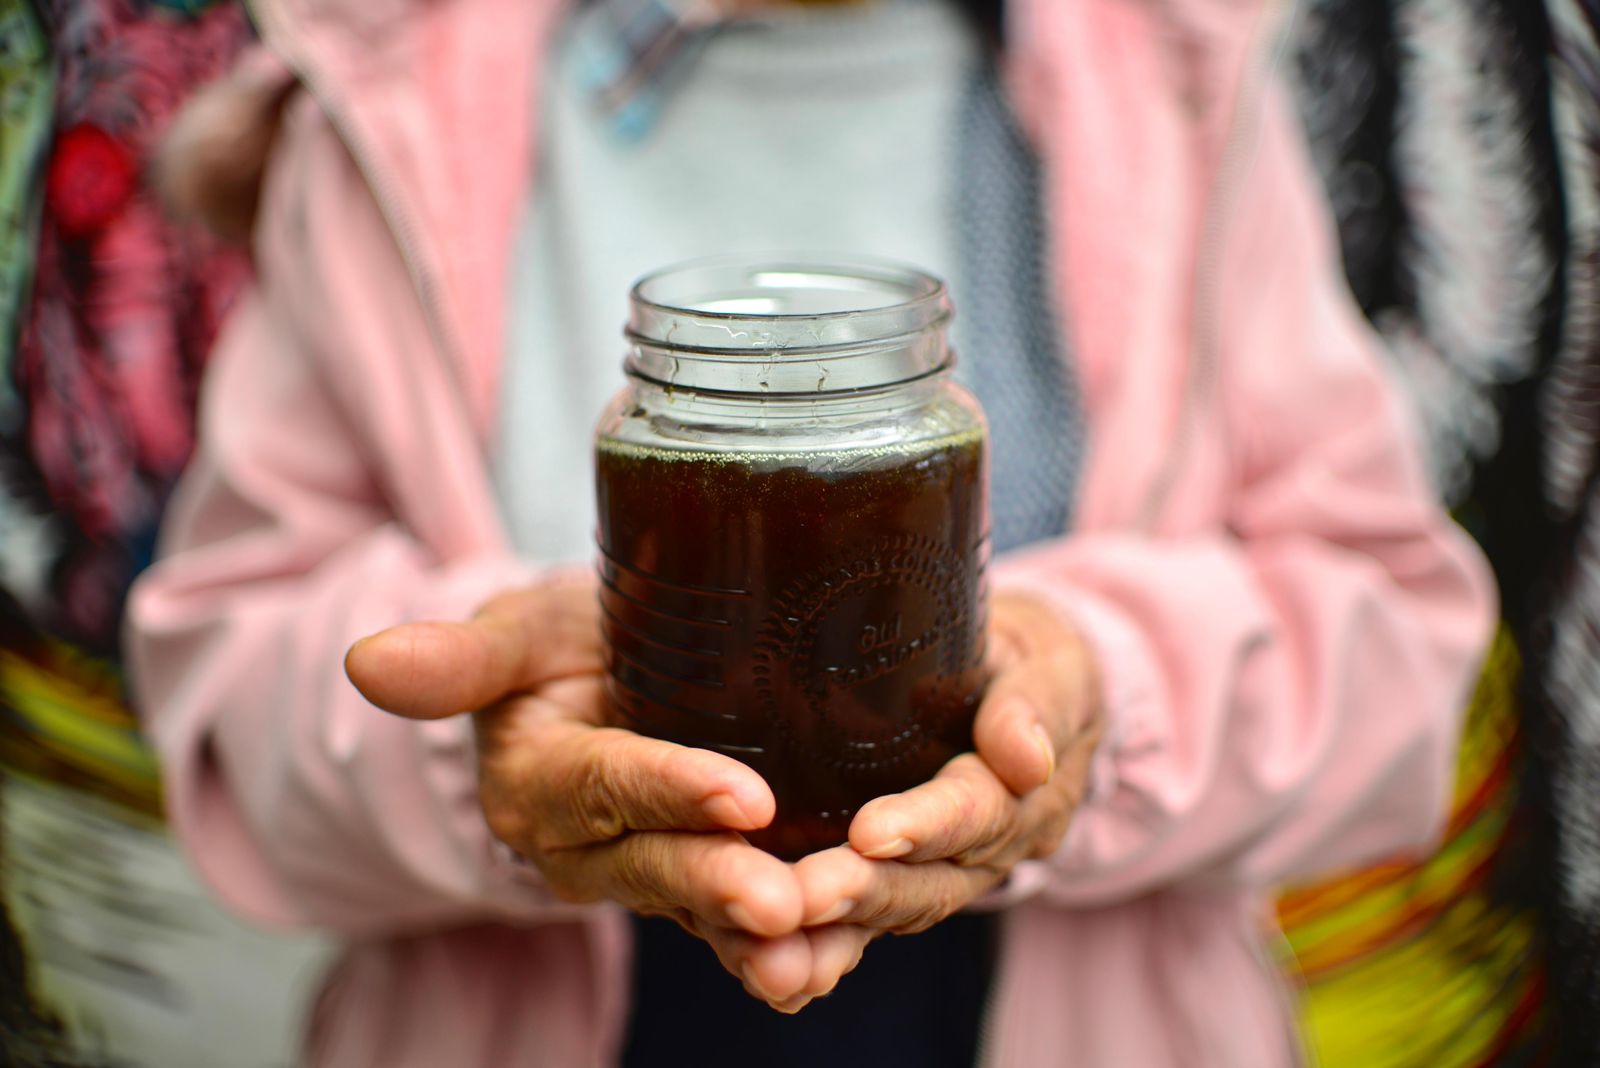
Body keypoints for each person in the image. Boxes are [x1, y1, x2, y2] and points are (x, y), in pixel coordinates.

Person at [125, 0, 1496, 1064]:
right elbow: (229, 674)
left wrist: (1100, 690)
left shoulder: (1174, 78)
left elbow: (1390, 632)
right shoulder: (385, 92)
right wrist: (478, 754)